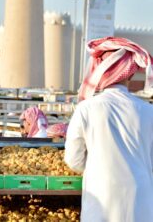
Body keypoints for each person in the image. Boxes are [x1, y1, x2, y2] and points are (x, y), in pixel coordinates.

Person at [64, 37, 153, 222]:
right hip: (140, 200)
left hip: (101, 197)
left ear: (101, 72)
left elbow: (74, 160)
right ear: (130, 74)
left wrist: (99, 166)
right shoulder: (148, 111)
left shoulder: (86, 108)